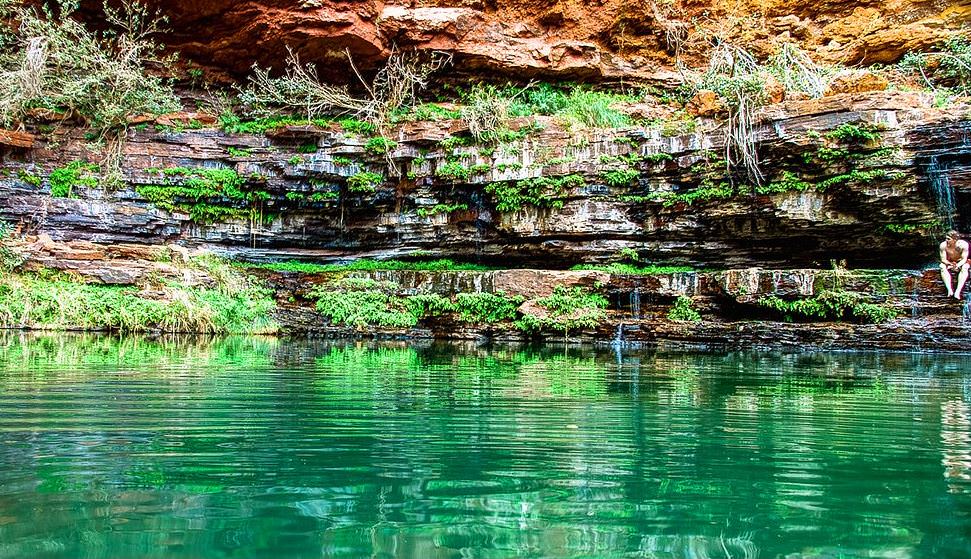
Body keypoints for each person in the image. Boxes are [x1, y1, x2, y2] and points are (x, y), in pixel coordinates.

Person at [940, 230, 970, 299]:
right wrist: (950, 264)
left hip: (961, 261)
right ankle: (949, 290)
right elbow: (943, 259)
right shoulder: (943, 245)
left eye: (948, 239)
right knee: (941, 266)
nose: (946, 240)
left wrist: (957, 265)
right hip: (949, 261)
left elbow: (964, 259)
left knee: (965, 267)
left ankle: (957, 292)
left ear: (955, 239)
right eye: (946, 238)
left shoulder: (963, 245)